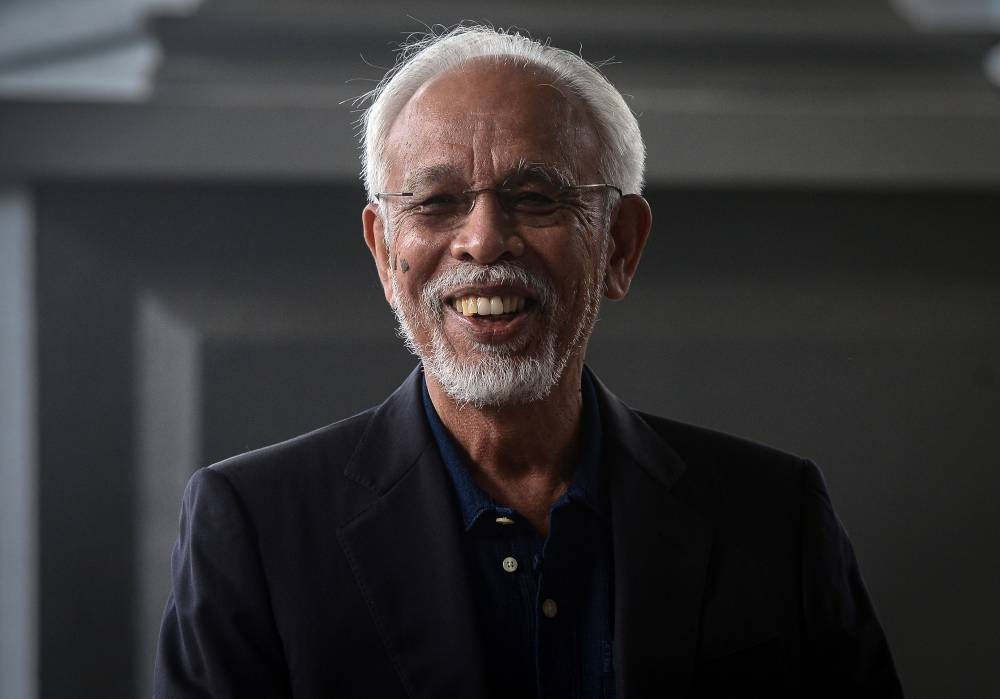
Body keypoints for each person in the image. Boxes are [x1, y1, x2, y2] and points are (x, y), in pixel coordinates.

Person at [154, 25, 903, 698]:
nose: (484, 240)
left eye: (535, 195)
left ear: (620, 244)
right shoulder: (254, 529)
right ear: (385, 252)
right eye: (437, 201)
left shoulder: (774, 519)